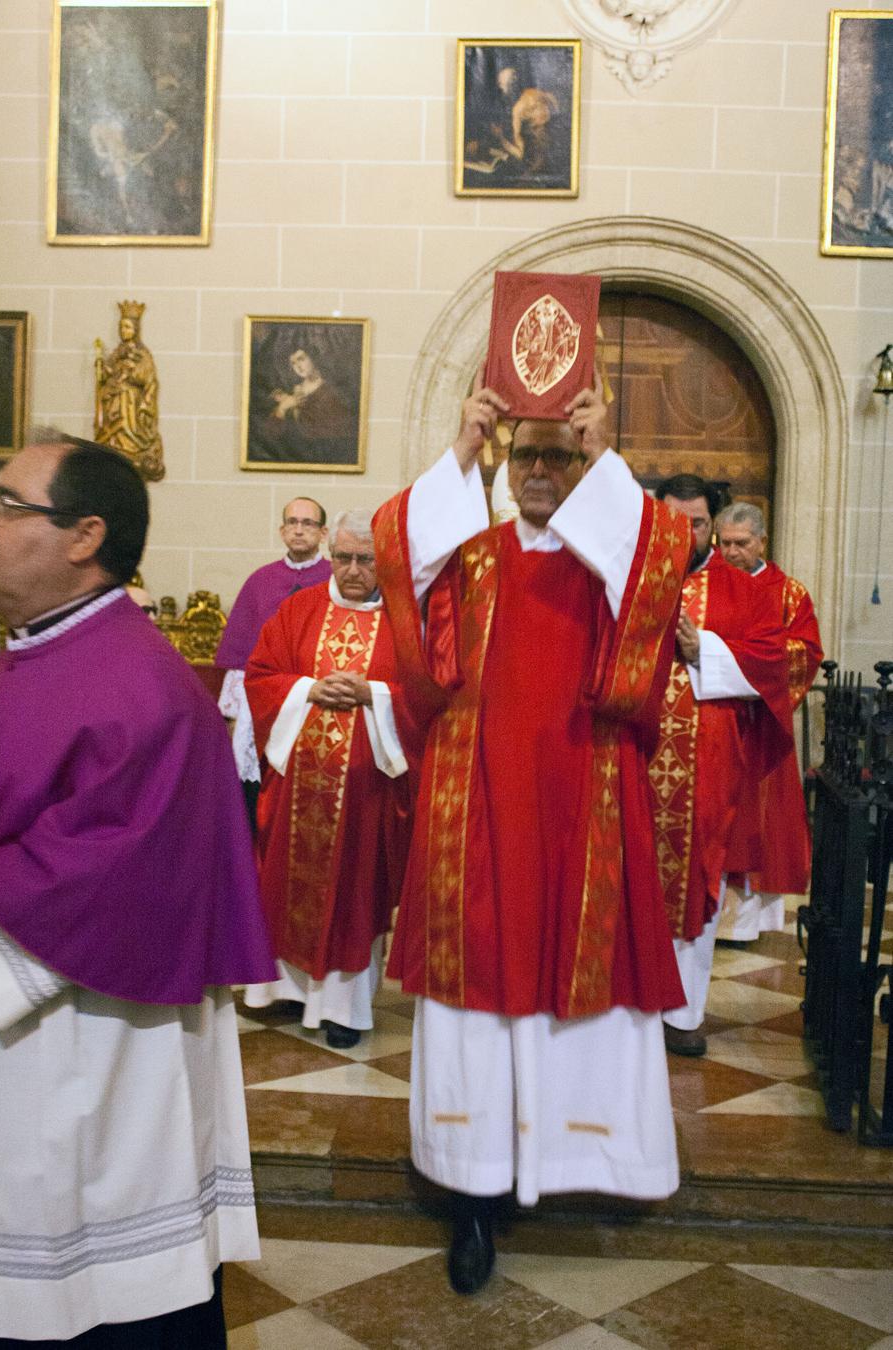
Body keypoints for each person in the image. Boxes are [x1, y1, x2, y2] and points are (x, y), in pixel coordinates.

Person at [373, 373, 691, 1295]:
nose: (541, 471)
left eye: (559, 455)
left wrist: (605, 454)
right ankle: (473, 1189)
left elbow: (660, 561)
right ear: (508, 466)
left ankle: (574, 1158)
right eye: (527, 455)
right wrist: (463, 448)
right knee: (477, 980)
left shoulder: (607, 558)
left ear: (581, 466)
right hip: (473, 799)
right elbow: (399, 562)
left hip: (585, 795)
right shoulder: (470, 554)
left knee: (579, 973)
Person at [0, 433, 275, 1345]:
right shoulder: (41, 652)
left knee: (91, 1300)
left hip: (91, 1049)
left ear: (84, 536)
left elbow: (94, 883)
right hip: (50, 1052)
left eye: (7, 504)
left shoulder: (140, 688)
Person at [243, 509, 414, 1050]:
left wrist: (373, 694)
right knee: (285, 881)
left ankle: (343, 1008)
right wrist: (308, 690)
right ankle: (285, 992)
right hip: (298, 785)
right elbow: (261, 674)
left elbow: (427, 696)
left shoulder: (406, 620)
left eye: (365, 559)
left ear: (385, 563)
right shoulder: (299, 609)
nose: (353, 570)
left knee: (353, 895)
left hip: (367, 793)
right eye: (343, 557)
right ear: (330, 555)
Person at [650, 475, 793, 1058]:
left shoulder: (740, 589)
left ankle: (680, 1013)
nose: (685, 534)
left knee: (693, 879)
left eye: (697, 524)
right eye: (673, 522)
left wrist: (701, 649)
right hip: (627, 758)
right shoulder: (629, 578)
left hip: (704, 763)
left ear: (711, 525)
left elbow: (772, 663)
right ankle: (619, 1012)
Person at [715, 501, 823, 940]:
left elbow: (805, 652)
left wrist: (744, 665)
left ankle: (745, 925)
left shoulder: (789, 594)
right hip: (713, 719)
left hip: (763, 723)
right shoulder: (703, 588)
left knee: (758, 819)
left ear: (762, 541)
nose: (731, 552)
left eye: (741, 543)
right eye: (725, 543)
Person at [215, 497, 331, 828]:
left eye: (308, 523)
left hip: (317, 701)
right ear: (282, 531)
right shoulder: (260, 581)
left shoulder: (336, 579)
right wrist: (233, 714)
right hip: (264, 701)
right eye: (292, 522)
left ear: (323, 533)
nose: (299, 530)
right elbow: (241, 656)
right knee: (260, 793)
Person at [93, 299, 165, 482]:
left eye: (127, 327)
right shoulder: (117, 352)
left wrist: (130, 372)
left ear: (135, 329)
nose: (123, 331)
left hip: (130, 399)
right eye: (121, 327)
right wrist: (102, 367)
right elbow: (108, 374)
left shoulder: (143, 354)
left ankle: (131, 447)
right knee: (114, 426)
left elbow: (148, 378)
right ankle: (115, 446)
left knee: (127, 422)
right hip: (114, 397)